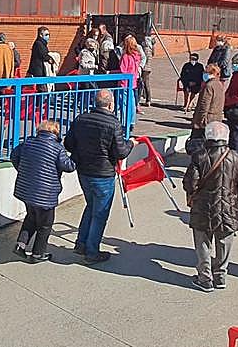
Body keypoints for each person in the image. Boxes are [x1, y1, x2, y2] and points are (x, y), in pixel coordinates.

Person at [64, 89, 133, 264]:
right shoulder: (113, 123)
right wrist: (131, 143)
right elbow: (121, 152)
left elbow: (69, 144)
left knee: (91, 206)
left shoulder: (81, 119)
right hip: (103, 174)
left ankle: (81, 243)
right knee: (100, 213)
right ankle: (91, 251)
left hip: (84, 171)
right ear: (110, 104)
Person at [183, 120, 238, 291]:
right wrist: (232, 194)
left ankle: (204, 277)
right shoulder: (236, 157)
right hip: (228, 207)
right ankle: (220, 276)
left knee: (203, 243)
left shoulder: (199, 156)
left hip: (202, 206)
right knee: (224, 242)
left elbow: (190, 183)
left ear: (208, 136)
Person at [11, 120, 77, 263]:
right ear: (55, 132)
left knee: (31, 217)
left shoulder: (28, 143)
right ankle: (38, 254)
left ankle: (20, 245)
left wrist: (23, 171)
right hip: (45, 194)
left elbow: (14, 156)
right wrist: (76, 155)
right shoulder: (57, 148)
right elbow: (69, 166)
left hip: (26, 190)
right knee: (45, 225)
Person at [191, 63, 225, 146]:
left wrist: (200, 119)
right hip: (217, 117)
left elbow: (204, 104)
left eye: (206, 72)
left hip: (207, 119)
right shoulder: (219, 84)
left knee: (200, 142)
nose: (204, 74)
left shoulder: (209, 86)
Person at [118, 36, 143, 122]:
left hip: (124, 83)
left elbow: (122, 70)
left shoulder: (126, 56)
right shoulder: (137, 56)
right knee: (132, 103)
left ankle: (125, 122)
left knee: (124, 104)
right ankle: (131, 121)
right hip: (133, 82)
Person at [139, 35, 155, 107]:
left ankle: (147, 99)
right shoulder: (151, 49)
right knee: (146, 84)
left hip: (145, 69)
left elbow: (144, 59)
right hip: (148, 69)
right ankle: (148, 99)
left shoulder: (146, 49)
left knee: (143, 84)